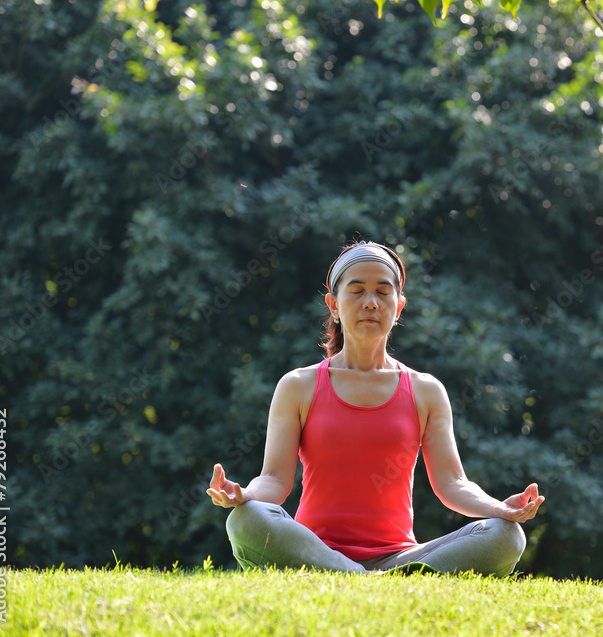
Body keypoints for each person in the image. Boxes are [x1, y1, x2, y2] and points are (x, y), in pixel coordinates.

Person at [208, 240, 545, 576]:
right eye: (356, 291)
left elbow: (453, 483)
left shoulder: (426, 391)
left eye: (383, 293)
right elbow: (274, 480)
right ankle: (366, 580)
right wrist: (246, 494)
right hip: (313, 550)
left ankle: (367, 580)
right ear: (334, 305)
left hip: (398, 558)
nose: (370, 303)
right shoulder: (298, 386)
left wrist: (499, 508)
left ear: (398, 307)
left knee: (505, 535)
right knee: (246, 520)